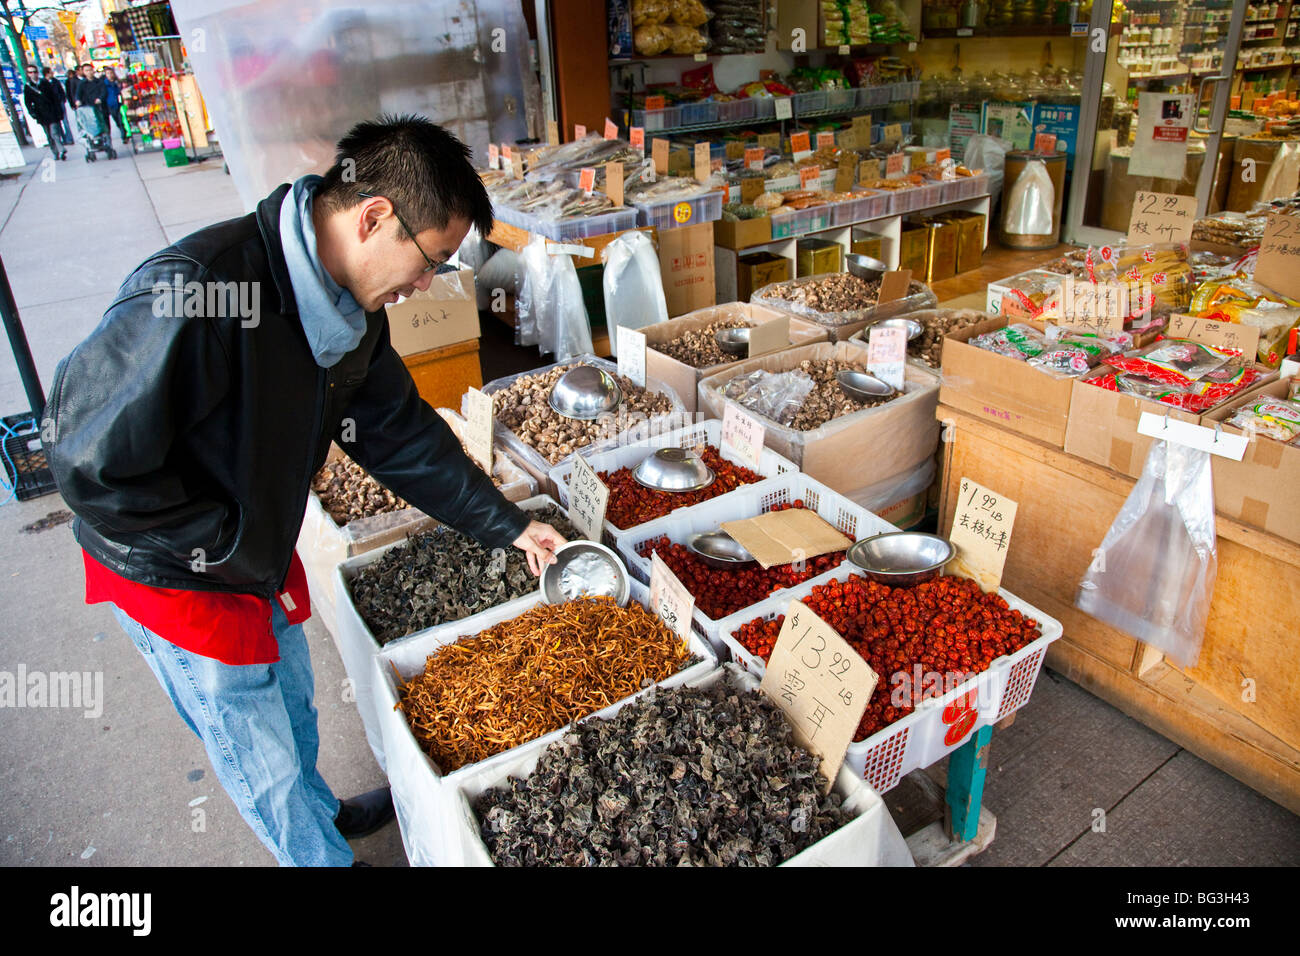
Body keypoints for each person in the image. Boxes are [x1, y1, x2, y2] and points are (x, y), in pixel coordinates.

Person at [45, 115, 566, 867]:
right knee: (258, 756)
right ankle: (316, 855)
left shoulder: (347, 309)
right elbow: (88, 461)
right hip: (176, 573)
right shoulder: (203, 292)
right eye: (430, 262)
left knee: (292, 700)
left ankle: (325, 811)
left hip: (255, 543)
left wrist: (509, 526)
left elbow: (399, 433)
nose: (426, 286)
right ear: (374, 216)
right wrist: (221, 542)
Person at [23, 66, 66, 161]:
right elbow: (27, 102)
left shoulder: (45, 83)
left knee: (55, 132)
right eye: (30, 72)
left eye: (34, 72)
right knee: (49, 135)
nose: (33, 74)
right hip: (41, 113)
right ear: (28, 74)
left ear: (38, 73)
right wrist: (32, 112)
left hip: (51, 111)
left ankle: (61, 149)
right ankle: (55, 152)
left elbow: (54, 97)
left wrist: (58, 110)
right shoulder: (28, 86)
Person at [46, 67, 75, 146]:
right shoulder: (44, 83)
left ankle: (69, 138)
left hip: (60, 103)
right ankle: (63, 138)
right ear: (47, 73)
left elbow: (61, 91)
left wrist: (63, 99)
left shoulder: (56, 81)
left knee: (65, 121)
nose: (52, 73)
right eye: (51, 72)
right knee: (58, 123)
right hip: (53, 105)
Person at [102, 67, 129, 143]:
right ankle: (122, 132)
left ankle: (124, 136)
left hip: (120, 104)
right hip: (111, 105)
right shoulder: (104, 84)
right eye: (108, 73)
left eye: (111, 73)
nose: (110, 75)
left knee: (121, 120)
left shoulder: (118, 83)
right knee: (117, 121)